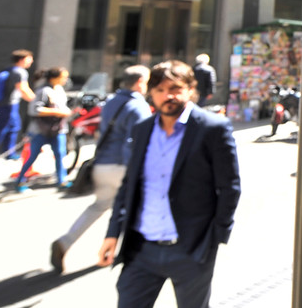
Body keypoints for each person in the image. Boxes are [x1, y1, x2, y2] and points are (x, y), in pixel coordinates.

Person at [98, 60, 241, 308]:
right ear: (150, 93)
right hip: (141, 249)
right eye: (160, 90)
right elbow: (129, 186)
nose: (168, 96)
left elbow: (230, 187)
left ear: (190, 89)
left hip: (191, 249)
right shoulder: (142, 129)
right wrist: (113, 233)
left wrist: (215, 237)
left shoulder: (212, 128)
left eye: (175, 89)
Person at [50, 65, 151, 273]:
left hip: (102, 163)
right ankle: (124, 252)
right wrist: (135, 171)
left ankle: (65, 242)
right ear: (140, 82)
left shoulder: (111, 101)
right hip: (122, 166)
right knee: (134, 210)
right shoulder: (138, 106)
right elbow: (134, 142)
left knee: (99, 206)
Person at [16, 67, 73, 192]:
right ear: (54, 78)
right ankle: (20, 181)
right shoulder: (43, 91)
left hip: (58, 129)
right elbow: (35, 110)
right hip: (40, 130)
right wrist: (57, 112)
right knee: (32, 156)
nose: (65, 80)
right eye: (63, 77)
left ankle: (62, 180)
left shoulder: (59, 89)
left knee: (60, 154)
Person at [0, 49, 36, 159]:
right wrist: (35, 100)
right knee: (1, 130)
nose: (31, 61)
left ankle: (9, 152)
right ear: (21, 60)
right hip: (10, 105)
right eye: (29, 59)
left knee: (13, 127)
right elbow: (23, 88)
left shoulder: (9, 69)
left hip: (4, 104)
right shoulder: (20, 72)